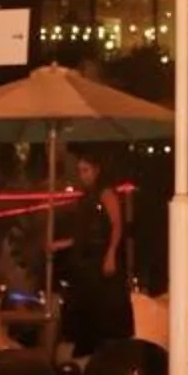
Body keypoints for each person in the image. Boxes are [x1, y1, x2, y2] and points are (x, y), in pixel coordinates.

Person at [53, 152, 129, 357]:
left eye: (86, 170)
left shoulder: (106, 193)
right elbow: (83, 234)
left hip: (100, 259)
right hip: (85, 262)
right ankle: (84, 351)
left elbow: (116, 225)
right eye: (80, 171)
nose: (83, 175)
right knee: (83, 308)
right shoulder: (86, 198)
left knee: (102, 311)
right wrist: (62, 244)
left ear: (96, 170)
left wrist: (111, 253)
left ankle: (103, 353)